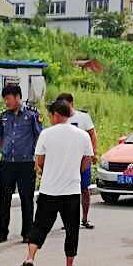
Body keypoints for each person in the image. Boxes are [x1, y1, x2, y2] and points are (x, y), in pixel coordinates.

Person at [16, 99, 93, 266]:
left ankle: (29, 258)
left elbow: (39, 161)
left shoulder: (46, 134)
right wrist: (74, 170)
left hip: (49, 190)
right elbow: (87, 162)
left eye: (51, 115)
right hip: (71, 191)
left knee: (39, 227)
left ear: (56, 115)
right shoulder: (83, 136)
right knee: (71, 230)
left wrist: (47, 170)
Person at [0, 83, 42, 243]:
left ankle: (27, 232)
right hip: (7, 163)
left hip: (26, 163)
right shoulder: (3, 116)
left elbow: (39, 138)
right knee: (4, 199)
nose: (6, 102)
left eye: (8, 98)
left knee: (26, 199)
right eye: (5, 99)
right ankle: (2, 232)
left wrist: (39, 161)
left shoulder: (32, 114)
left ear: (18, 97)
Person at [57, 92, 99, 229]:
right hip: (66, 161)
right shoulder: (60, 119)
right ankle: (68, 220)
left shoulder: (83, 117)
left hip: (83, 159)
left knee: (84, 189)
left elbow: (92, 135)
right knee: (67, 191)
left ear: (71, 103)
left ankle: (85, 219)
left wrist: (93, 152)